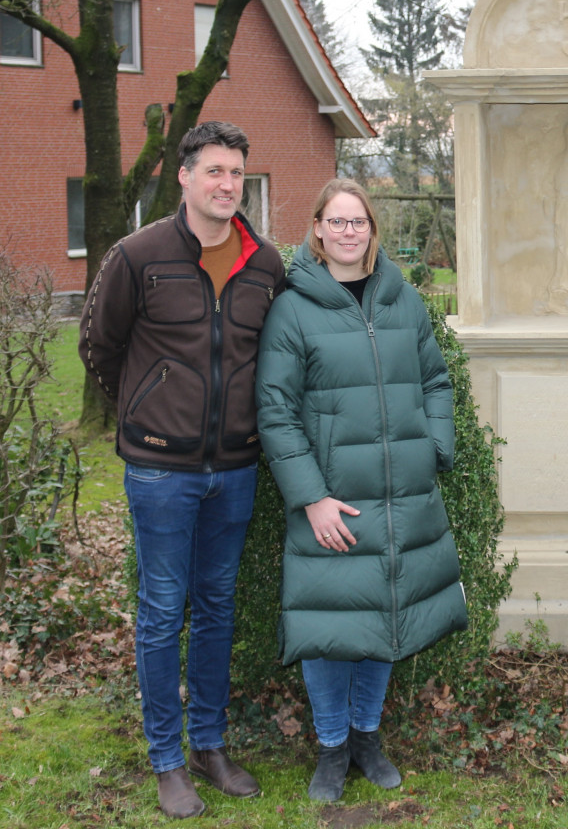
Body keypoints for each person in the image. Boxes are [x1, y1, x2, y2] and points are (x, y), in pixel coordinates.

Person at [78, 121, 284, 819]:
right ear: (186, 178)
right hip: (161, 473)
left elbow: (275, 358)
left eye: (236, 173)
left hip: (236, 466)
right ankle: (166, 758)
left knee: (218, 606)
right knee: (165, 612)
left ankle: (209, 744)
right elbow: (99, 347)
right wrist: (147, 412)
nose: (227, 184)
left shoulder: (265, 264)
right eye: (215, 171)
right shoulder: (139, 256)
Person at [255, 178, 467, 803]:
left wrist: (433, 450)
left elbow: (436, 381)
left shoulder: (403, 301)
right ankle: (330, 748)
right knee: (330, 623)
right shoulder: (293, 307)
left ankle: (367, 738)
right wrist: (311, 496)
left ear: (372, 230)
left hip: (402, 497)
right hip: (333, 499)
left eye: (360, 222)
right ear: (317, 229)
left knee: (385, 613)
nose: (349, 232)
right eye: (337, 221)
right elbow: (275, 409)